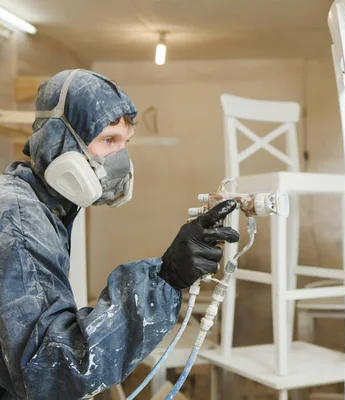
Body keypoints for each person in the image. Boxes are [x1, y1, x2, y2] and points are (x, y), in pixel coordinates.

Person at [0, 69, 240, 399]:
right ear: (61, 140)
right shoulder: (19, 219)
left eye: (125, 143)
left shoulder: (41, 207)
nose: (121, 161)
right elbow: (49, 371)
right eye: (109, 140)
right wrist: (166, 278)